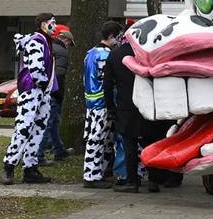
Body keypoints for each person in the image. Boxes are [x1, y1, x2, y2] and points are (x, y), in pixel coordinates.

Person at [0, 13, 56, 184]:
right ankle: (8, 166)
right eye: (52, 23)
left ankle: (30, 167)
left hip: (41, 92)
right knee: (24, 129)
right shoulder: (36, 41)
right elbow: (36, 68)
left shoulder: (45, 41)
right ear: (43, 24)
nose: (54, 26)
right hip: (32, 91)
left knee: (38, 129)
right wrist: (44, 84)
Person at [106, 31, 153, 193]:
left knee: (129, 143)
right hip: (147, 102)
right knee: (150, 141)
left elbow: (107, 84)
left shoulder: (115, 55)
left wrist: (110, 107)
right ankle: (153, 180)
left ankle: (132, 181)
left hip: (126, 104)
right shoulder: (147, 52)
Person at [82, 21, 121, 189]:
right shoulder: (107, 55)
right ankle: (91, 175)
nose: (118, 41)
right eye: (118, 37)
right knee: (97, 139)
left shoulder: (90, 53)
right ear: (111, 36)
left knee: (102, 139)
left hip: (91, 102)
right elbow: (109, 82)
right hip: (102, 103)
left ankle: (101, 171)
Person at [38, 24, 74, 165]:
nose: (69, 46)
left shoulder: (49, 47)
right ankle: (39, 156)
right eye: (69, 43)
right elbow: (59, 74)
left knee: (54, 123)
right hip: (53, 93)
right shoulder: (62, 52)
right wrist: (58, 94)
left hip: (45, 91)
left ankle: (59, 149)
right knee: (49, 123)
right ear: (65, 39)